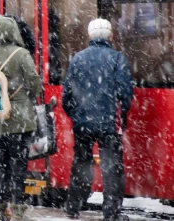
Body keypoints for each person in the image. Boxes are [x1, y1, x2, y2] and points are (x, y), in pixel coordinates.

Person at [62, 18, 133, 221]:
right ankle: (111, 213)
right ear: (110, 36)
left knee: (81, 164)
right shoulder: (117, 59)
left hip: (82, 123)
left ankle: (73, 205)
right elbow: (126, 93)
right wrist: (122, 113)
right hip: (109, 122)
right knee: (112, 168)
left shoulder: (78, 58)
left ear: (89, 36)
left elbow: (67, 95)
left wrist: (75, 115)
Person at [0, 16, 42, 221]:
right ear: (14, 32)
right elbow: (34, 85)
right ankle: (18, 212)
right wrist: (24, 98)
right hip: (19, 119)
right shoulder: (22, 54)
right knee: (18, 167)